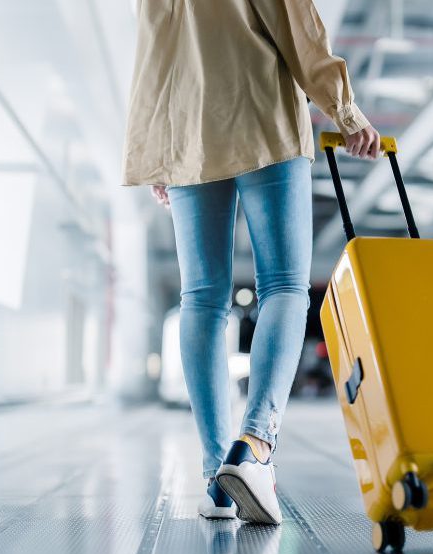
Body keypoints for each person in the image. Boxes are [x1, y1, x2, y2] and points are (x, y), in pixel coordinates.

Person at [122, 0, 379, 525]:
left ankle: (218, 478)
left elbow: (154, 47)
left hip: (187, 132)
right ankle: (256, 444)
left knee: (201, 299)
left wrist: (156, 149)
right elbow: (299, 31)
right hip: (264, 119)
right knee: (284, 286)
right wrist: (347, 112)